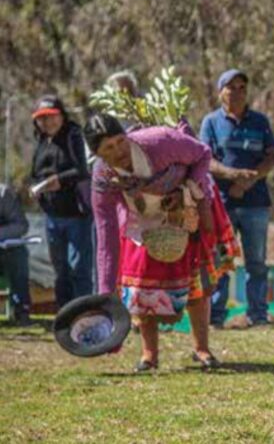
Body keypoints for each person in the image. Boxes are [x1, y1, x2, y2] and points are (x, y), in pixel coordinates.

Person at [86, 114, 220, 371]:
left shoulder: (160, 141)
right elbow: (106, 236)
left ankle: (202, 348)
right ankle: (149, 355)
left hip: (184, 208)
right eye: (108, 148)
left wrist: (188, 188)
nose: (119, 151)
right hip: (141, 219)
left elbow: (203, 153)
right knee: (140, 285)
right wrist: (106, 296)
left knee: (195, 283)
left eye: (120, 141)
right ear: (97, 154)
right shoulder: (103, 177)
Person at [200, 69, 274, 328]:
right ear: (220, 92)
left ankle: (258, 315)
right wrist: (233, 175)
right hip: (222, 205)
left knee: (256, 262)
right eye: (231, 87)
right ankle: (216, 317)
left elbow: (271, 157)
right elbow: (205, 160)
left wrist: (250, 180)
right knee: (221, 261)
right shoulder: (211, 122)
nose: (237, 92)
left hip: (256, 204)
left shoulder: (260, 121)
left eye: (242, 87)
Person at [29, 96, 94, 307]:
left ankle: (83, 312)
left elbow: (81, 170)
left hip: (76, 215)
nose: (47, 122)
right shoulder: (42, 140)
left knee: (79, 268)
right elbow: (35, 173)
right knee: (60, 271)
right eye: (42, 118)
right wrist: (36, 187)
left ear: (62, 116)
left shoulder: (73, 135)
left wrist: (58, 181)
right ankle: (64, 312)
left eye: (52, 117)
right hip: (52, 216)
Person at [0, 184, 31, 326]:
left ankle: (21, 310)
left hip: (5, 249)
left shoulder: (3, 193)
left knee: (18, 256)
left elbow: (21, 225)